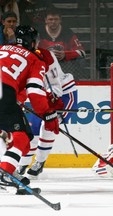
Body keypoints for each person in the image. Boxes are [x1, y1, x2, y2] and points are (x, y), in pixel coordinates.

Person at [0, 25, 59, 187]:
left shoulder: (2, 48)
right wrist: (46, 112)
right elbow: (34, 90)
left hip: (6, 95)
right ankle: (5, 171)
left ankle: (8, 169)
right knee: (21, 136)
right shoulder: (35, 59)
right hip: (3, 92)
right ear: (32, 43)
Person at [16, 48, 78, 177]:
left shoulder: (45, 55)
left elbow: (56, 84)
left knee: (48, 126)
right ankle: (22, 163)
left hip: (65, 95)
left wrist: (51, 96)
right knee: (32, 132)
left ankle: (39, 162)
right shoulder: (19, 58)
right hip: (43, 96)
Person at [38, 8, 86, 78]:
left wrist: (65, 54)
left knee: (80, 61)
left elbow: (82, 52)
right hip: (44, 65)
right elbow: (32, 52)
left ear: (60, 20)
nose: (53, 22)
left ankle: (74, 80)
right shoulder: (39, 33)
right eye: (50, 19)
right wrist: (46, 54)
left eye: (56, 19)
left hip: (64, 65)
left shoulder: (68, 33)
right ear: (45, 20)